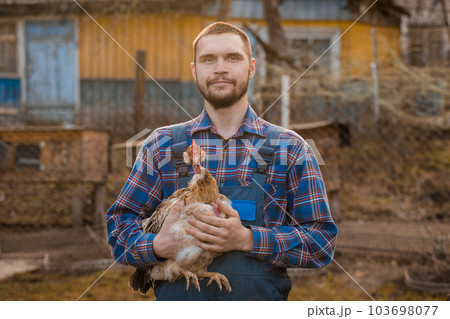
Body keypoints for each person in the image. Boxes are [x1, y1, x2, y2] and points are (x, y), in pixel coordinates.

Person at [106, 22, 337, 301]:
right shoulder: (162, 144)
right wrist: (157, 245)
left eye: (232, 57)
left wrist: (248, 239)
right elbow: (119, 226)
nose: (220, 68)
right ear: (195, 71)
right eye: (208, 59)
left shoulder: (290, 148)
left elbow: (321, 242)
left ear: (251, 67)